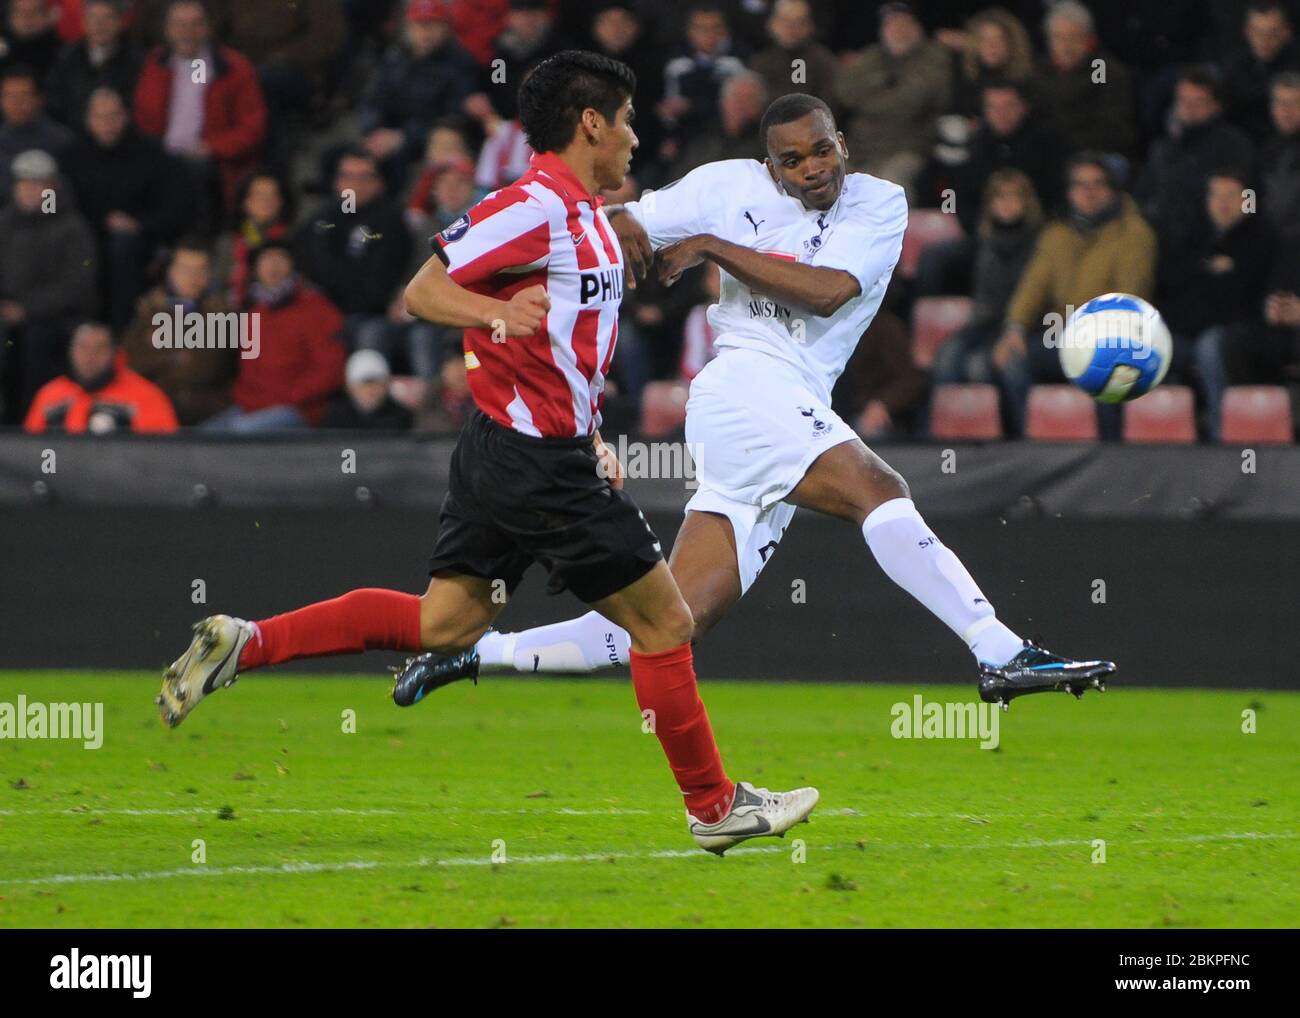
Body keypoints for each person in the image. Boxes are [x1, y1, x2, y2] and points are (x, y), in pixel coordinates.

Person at [156, 50, 818, 856]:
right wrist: (500, 316)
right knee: (665, 620)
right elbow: (423, 290)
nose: (637, 139)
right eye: (629, 122)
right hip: (537, 463)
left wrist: (591, 428)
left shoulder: (578, 217)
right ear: (592, 125)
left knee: (447, 621)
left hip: (514, 446)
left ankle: (246, 642)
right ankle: (714, 808)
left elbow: (568, 346)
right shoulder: (533, 205)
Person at [440, 93, 1115, 711]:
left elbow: (826, 291)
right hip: (744, 385)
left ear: (842, 142)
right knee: (876, 487)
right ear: (770, 167)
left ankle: (478, 650)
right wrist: (612, 222)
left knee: (672, 621)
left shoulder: (878, 204)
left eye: (822, 149)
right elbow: (614, 227)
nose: (813, 168)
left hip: (787, 398)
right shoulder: (722, 186)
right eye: (792, 160)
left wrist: (707, 246)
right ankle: (1000, 652)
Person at [24, 320, 179, 433]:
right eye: (83, 347)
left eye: (100, 349)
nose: (90, 357)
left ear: (114, 353)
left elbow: (163, 457)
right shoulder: (50, 395)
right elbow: (29, 453)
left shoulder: (145, 397)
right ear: (70, 351)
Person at [321, 349, 414, 431]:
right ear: (350, 388)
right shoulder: (336, 416)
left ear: (386, 386)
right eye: (364, 384)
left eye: (376, 384)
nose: (371, 390)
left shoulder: (401, 416)